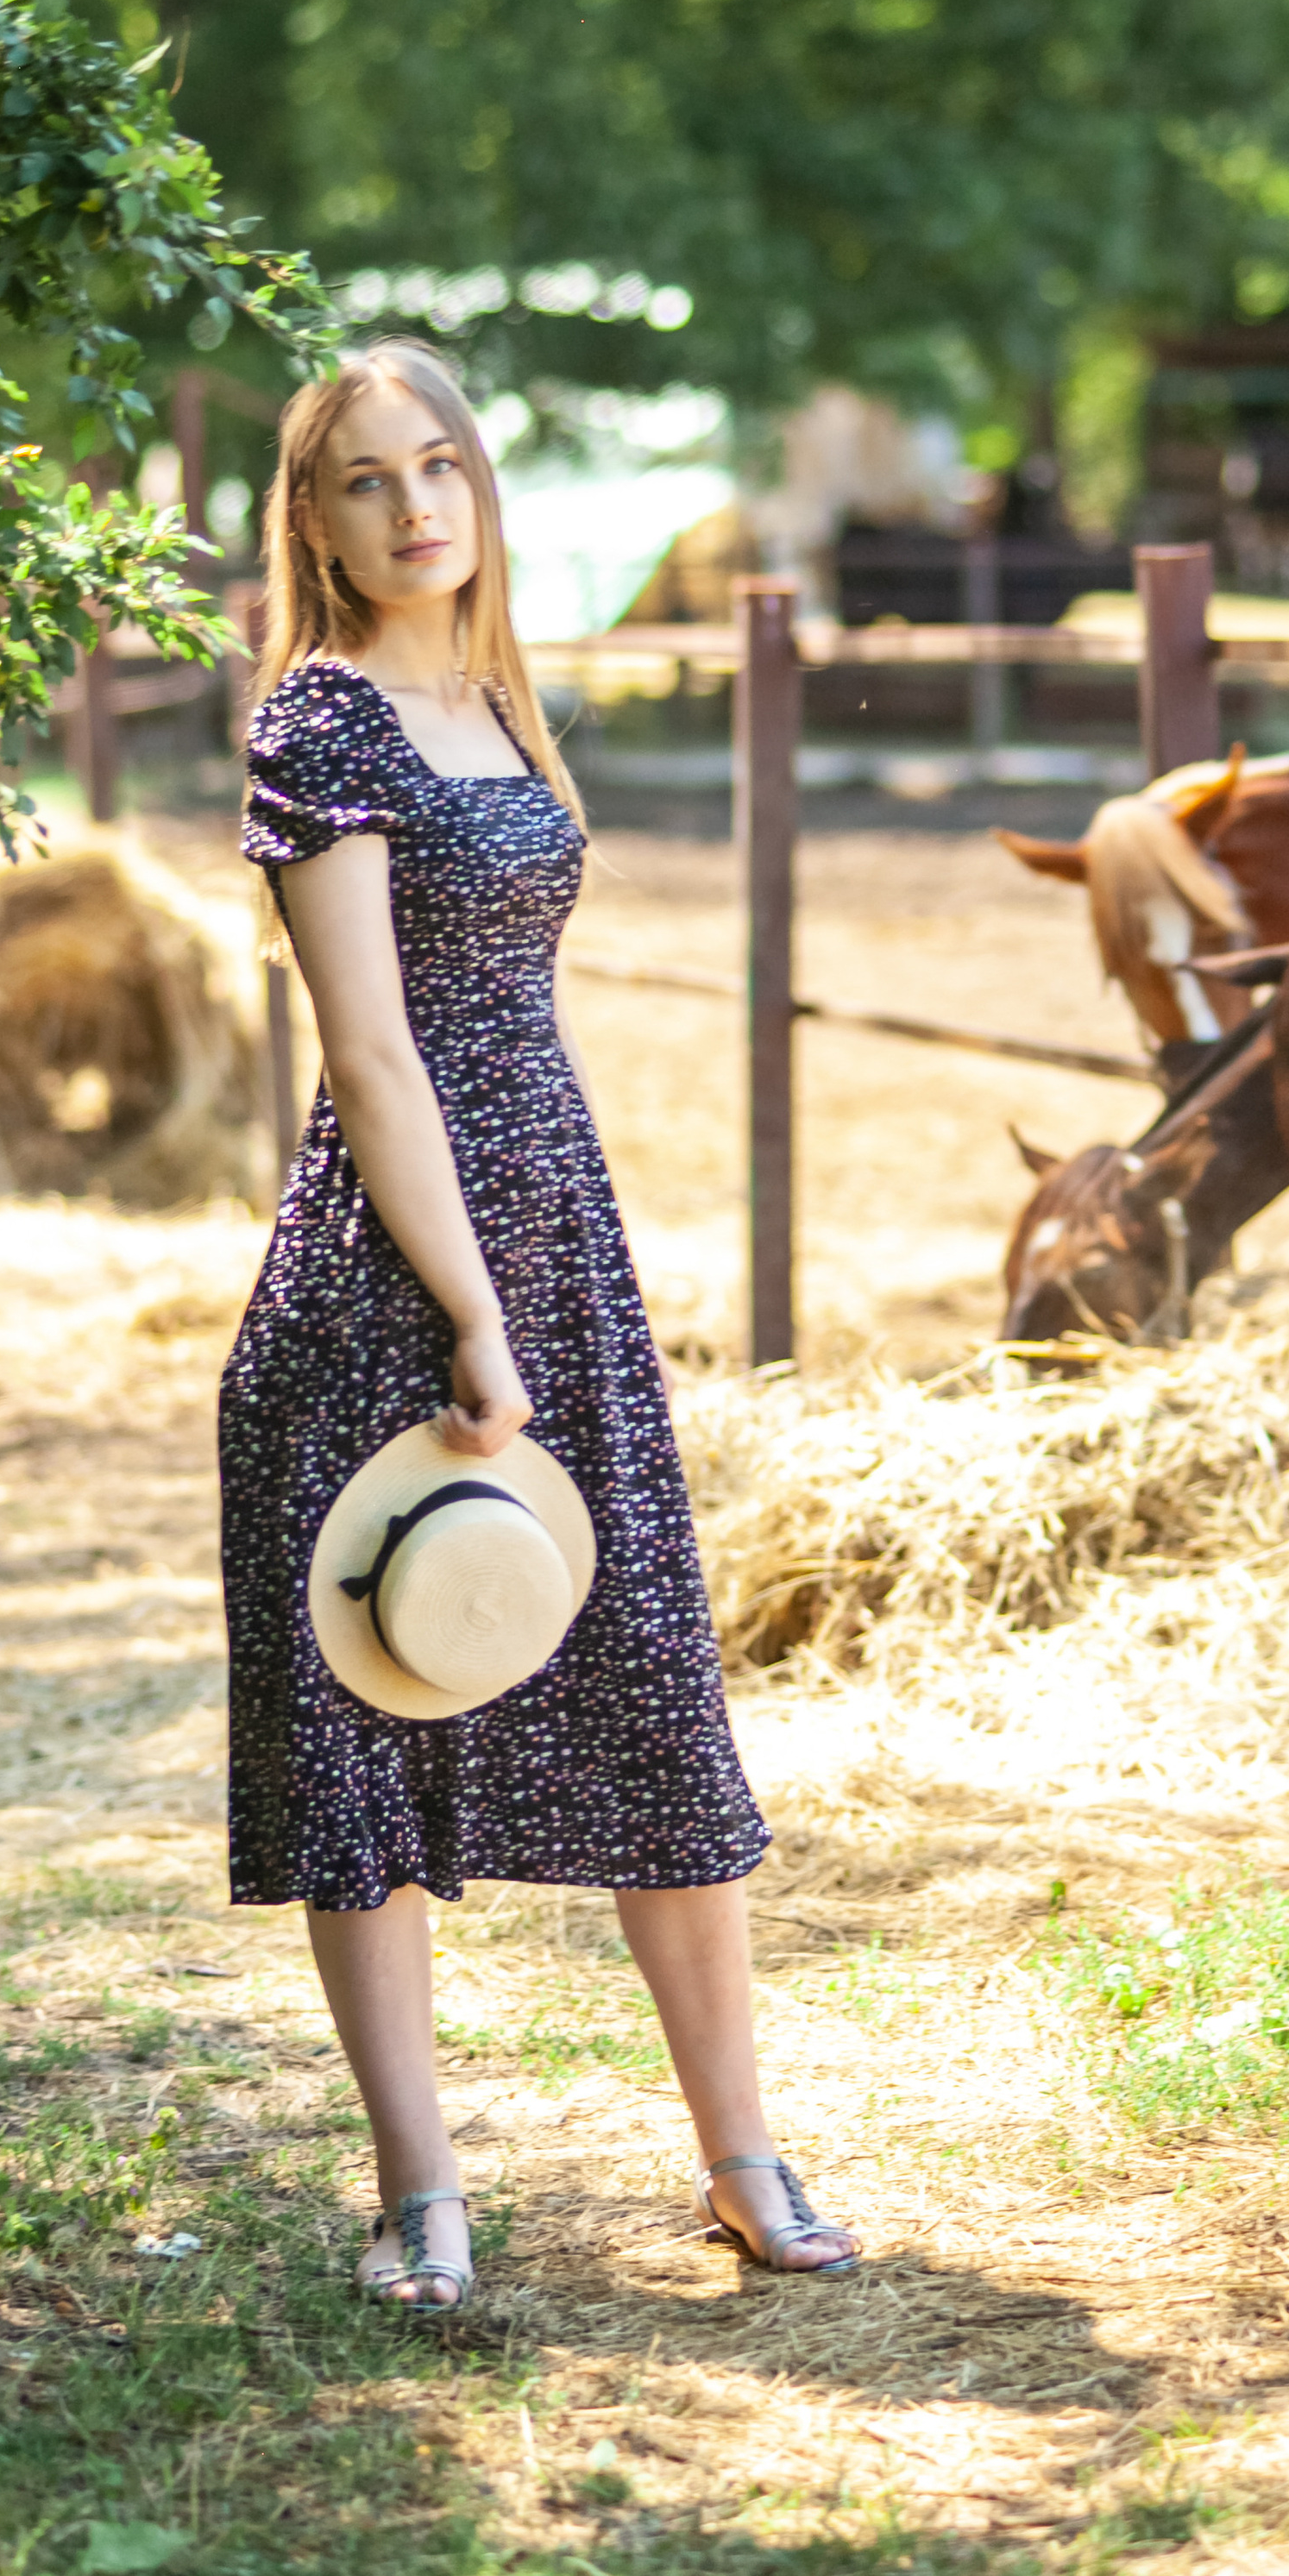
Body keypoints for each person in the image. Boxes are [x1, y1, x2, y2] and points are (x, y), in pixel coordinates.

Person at [219, 340, 858, 2310]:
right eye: (363, 482)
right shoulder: (321, 723)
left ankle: (741, 2159)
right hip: (391, 1282)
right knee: (365, 1753)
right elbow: (375, 1055)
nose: (414, 506)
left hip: (553, 1248)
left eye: (440, 468)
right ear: (312, 523)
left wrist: (551, 1284)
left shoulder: (495, 701)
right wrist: (472, 1316)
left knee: (656, 1689)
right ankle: (422, 2195)